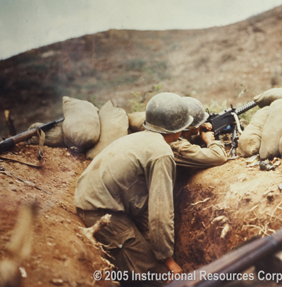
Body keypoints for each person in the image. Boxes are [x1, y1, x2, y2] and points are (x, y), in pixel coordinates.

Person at [73, 92, 192, 286]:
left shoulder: (141, 138)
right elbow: (160, 214)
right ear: (178, 128)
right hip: (100, 211)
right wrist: (169, 262)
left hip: (100, 198)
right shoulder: (161, 153)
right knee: (161, 278)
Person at [170, 97, 227, 168]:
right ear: (194, 126)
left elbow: (187, 138)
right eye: (200, 122)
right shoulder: (179, 147)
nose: (203, 123)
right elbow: (219, 157)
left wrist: (199, 136)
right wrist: (209, 141)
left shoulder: (174, 134)